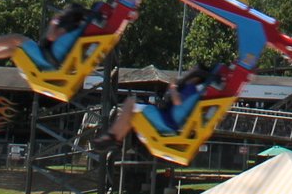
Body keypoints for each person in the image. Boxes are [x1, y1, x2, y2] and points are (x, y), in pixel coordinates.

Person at [94, 63, 222, 150]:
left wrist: (172, 88)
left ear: (196, 77)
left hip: (166, 121)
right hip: (168, 120)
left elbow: (178, 102)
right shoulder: (194, 90)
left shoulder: (191, 88)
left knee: (130, 104)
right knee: (130, 113)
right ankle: (115, 138)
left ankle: (113, 136)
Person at [0, 1, 96, 66]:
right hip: (53, 60)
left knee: (17, 38)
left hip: (49, 58)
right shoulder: (81, 28)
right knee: (15, 50)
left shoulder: (71, 26)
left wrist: (54, 22)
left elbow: (51, 36)